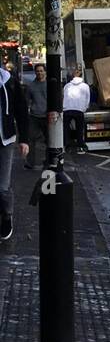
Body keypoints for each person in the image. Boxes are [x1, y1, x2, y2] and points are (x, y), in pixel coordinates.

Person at [0, 64, 31, 242]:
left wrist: (24, 139)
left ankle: (6, 216)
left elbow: (21, 110)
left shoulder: (9, 81)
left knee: (2, 188)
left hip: (5, 140)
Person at [23, 63, 48, 169]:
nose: (39, 73)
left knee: (49, 140)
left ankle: (48, 161)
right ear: (35, 72)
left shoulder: (49, 85)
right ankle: (30, 163)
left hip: (47, 116)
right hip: (34, 116)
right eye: (37, 71)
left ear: (45, 72)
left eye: (41, 71)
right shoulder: (31, 86)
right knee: (30, 140)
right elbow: (27, 101)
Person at [63, 66, 91, 154]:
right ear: (81, 77)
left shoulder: (67, 85)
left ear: (72, 77)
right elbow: (87, 98)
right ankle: (80, 145)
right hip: (79, 109)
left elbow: (63, 96)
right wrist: (84, 108)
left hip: (67, 109)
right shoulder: (85, 86)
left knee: (66, 128)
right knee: (80, 128)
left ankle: (67, 145)